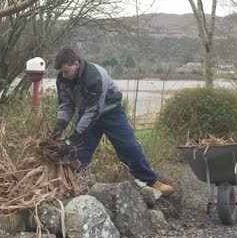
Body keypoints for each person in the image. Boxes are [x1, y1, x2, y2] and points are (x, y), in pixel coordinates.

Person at [48, 47, 174, 194]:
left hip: (111, 112)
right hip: (87, 114)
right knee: (77, 153)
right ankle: (72, 186)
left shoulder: (94, 76)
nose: (64, 75)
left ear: (76, 64)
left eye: (66, 71)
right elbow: (66, 105)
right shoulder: (63, 79)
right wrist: (59, 126)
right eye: (61, 72)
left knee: (129, 147)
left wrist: (72, 139)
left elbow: (93, 111)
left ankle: (151, 181)